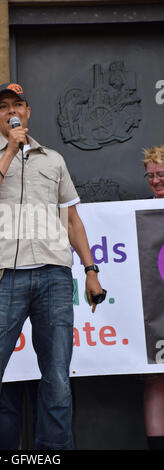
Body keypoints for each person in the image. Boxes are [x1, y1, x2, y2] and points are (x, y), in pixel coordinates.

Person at [0, 82, 105, 450]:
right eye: (3, 107)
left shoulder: (53, 159)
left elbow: (72, 221)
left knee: (57, 378)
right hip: (6, 278)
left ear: (28, 111)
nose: (10, 111)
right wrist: (10, 151)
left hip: (54, 276)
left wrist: (91, 270)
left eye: (16, 104)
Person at [142, 144, 164, 449]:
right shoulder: (143, 213)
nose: (155, 181)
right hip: (156, 313)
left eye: (161, 175)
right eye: (150, 176)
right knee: (156, 382)